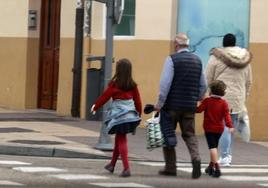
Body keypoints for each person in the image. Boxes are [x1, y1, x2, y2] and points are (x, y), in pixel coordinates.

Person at [154, 33, 207, 179]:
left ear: (176, 45)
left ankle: (171, 167)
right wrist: (197, 98)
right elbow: (204, 85)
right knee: (189, 134)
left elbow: (165, 84)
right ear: (187, 45)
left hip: (171, 106)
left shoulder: (171, 59)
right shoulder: (198, 60)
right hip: (189, 106)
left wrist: (159, 104)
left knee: (168, 134)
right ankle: (196, 159)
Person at [206, 33, 253, 166]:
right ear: (235, 43)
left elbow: (208, 77)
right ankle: (227, 154)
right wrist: (244, 96)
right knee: (230, 126)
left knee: (224, 127)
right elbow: (249, 81)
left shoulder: (216, 57)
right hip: (238, 98)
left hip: (220, 97)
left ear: (224, 43)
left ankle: (225, 156)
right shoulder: (245, 59)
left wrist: (207, 94)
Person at [91, 58, 142, 177]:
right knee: (119, 140)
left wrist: (95, 106)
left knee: (122, 140)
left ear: (118, 70)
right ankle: (112, 165)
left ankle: (126, 168)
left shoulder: (114, 85)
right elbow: (138, 102)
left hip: (118, 118)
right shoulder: (133, 85)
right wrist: (139, 115)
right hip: (130, 117)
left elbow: (104, 97)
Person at [196, 80, 234, 178]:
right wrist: (230, 125)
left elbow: (198, 110)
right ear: (223, 92)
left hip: (209, 128)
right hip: (219, 129)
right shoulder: (224, 103)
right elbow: (227, 116)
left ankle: (216, 168)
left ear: (211, 90)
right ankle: (210, 167)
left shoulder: (207, 101)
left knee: (212, 148)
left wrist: (199, 101)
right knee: (214, 147)